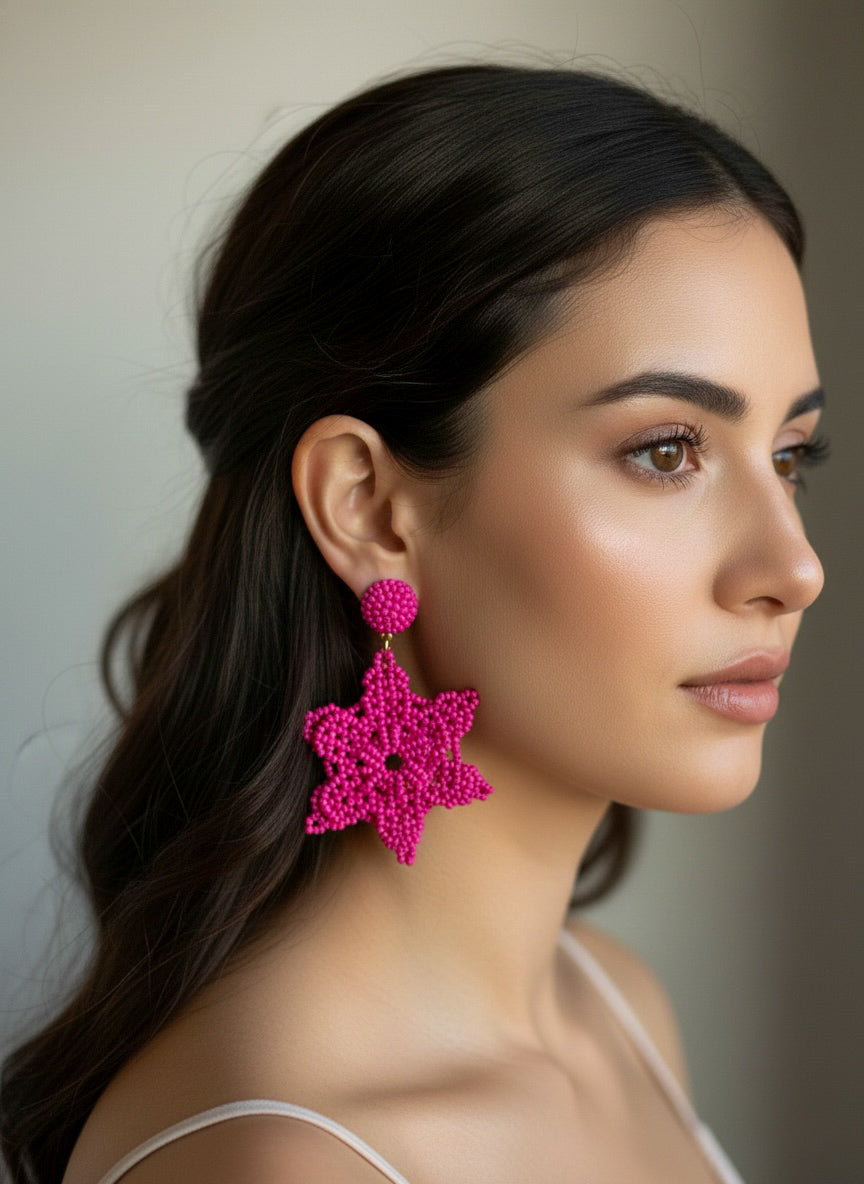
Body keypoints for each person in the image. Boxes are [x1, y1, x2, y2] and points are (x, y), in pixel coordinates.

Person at [0, 62, 828, 1184]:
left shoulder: (617, 1005)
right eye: (666, 450)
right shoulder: (276, 1159)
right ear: (370, 507)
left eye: (790, 456)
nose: (794, 566)